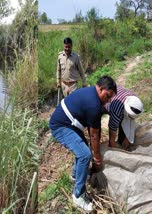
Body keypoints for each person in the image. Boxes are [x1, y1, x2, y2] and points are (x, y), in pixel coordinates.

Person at [49, 75, 117, 213]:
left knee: (82, 149)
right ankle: (78, 195)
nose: (108, 100)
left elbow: (93, 135)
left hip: (69, 122)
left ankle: (75, 174)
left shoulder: (92, 93)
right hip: (61, 125)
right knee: (85, 155)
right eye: (108, 96)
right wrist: (97, 158)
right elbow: (94, 135)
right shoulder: (94, 105)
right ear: (101, 89)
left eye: (111, 98)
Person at [105, 85, 144, 150]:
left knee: (124, 121)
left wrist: (127, 138)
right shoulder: (117, 110)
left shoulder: (135, 102)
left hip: (118, 93)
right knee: (96, 125)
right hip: (105, 102)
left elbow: (131, 122)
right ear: (126, 110)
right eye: (130, 116)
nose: (131, 119)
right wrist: (112, 146)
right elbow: (112, 129)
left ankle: (121, 142)